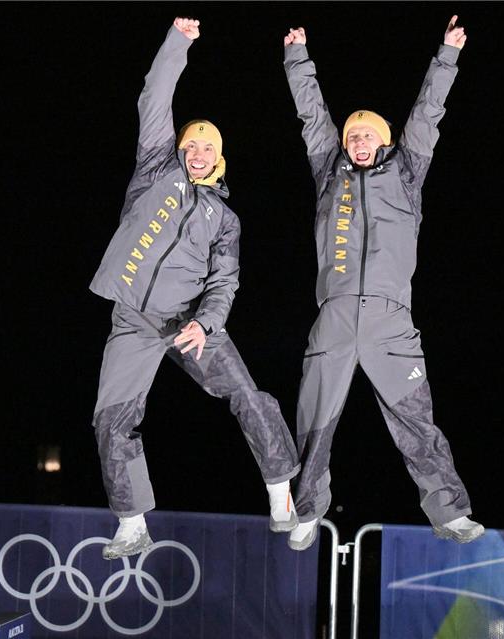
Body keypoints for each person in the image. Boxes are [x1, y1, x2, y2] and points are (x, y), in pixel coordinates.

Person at [89, 17, 301, 560]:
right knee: (112, 417)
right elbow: (154, 98)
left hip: (190, 322)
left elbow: (225, 281)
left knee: (247, 394)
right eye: (191, 143)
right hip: (135, 318)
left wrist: (205, 324)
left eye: (207, 147)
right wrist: (178, 42)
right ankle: (132, 523)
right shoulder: (154, 171)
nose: (197, 151)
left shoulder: (224, 219)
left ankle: (281, 493)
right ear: (180, 149)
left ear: (219, 156)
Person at [282, 16, 483, 550]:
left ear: (385, 141)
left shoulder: (407, 172)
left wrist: (446, 56)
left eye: (368, 134)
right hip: (336, 313)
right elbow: (312, 117)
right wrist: (297, 59)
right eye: (353, 135)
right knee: (315, 422)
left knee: (417, 420)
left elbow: (427, 116)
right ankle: (306, 510)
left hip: (392, 319)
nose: (359, 140)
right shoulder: (330, 170)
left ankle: (450, 511)